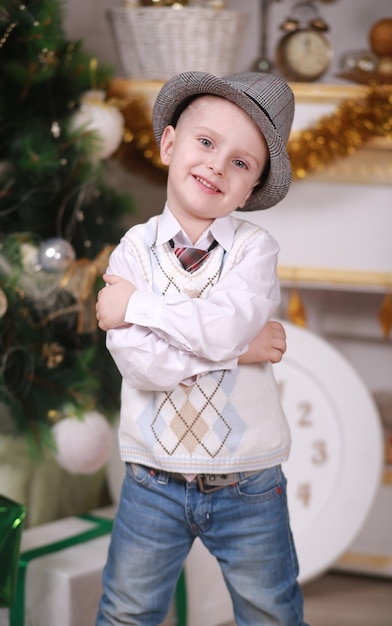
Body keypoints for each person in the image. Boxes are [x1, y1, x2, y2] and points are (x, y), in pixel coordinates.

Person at [95, 71, 308, 626]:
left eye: (241, 163)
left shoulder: (253, 251)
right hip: (152, 480)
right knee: (125, 613)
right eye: (206, 142)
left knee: (272, 613)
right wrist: (240, 351)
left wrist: (137, 309)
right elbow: (140, 365)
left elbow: (223, 326)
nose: (217, 164)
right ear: (169, 144)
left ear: (251, 190)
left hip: (250, 483)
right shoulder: (134, 251)